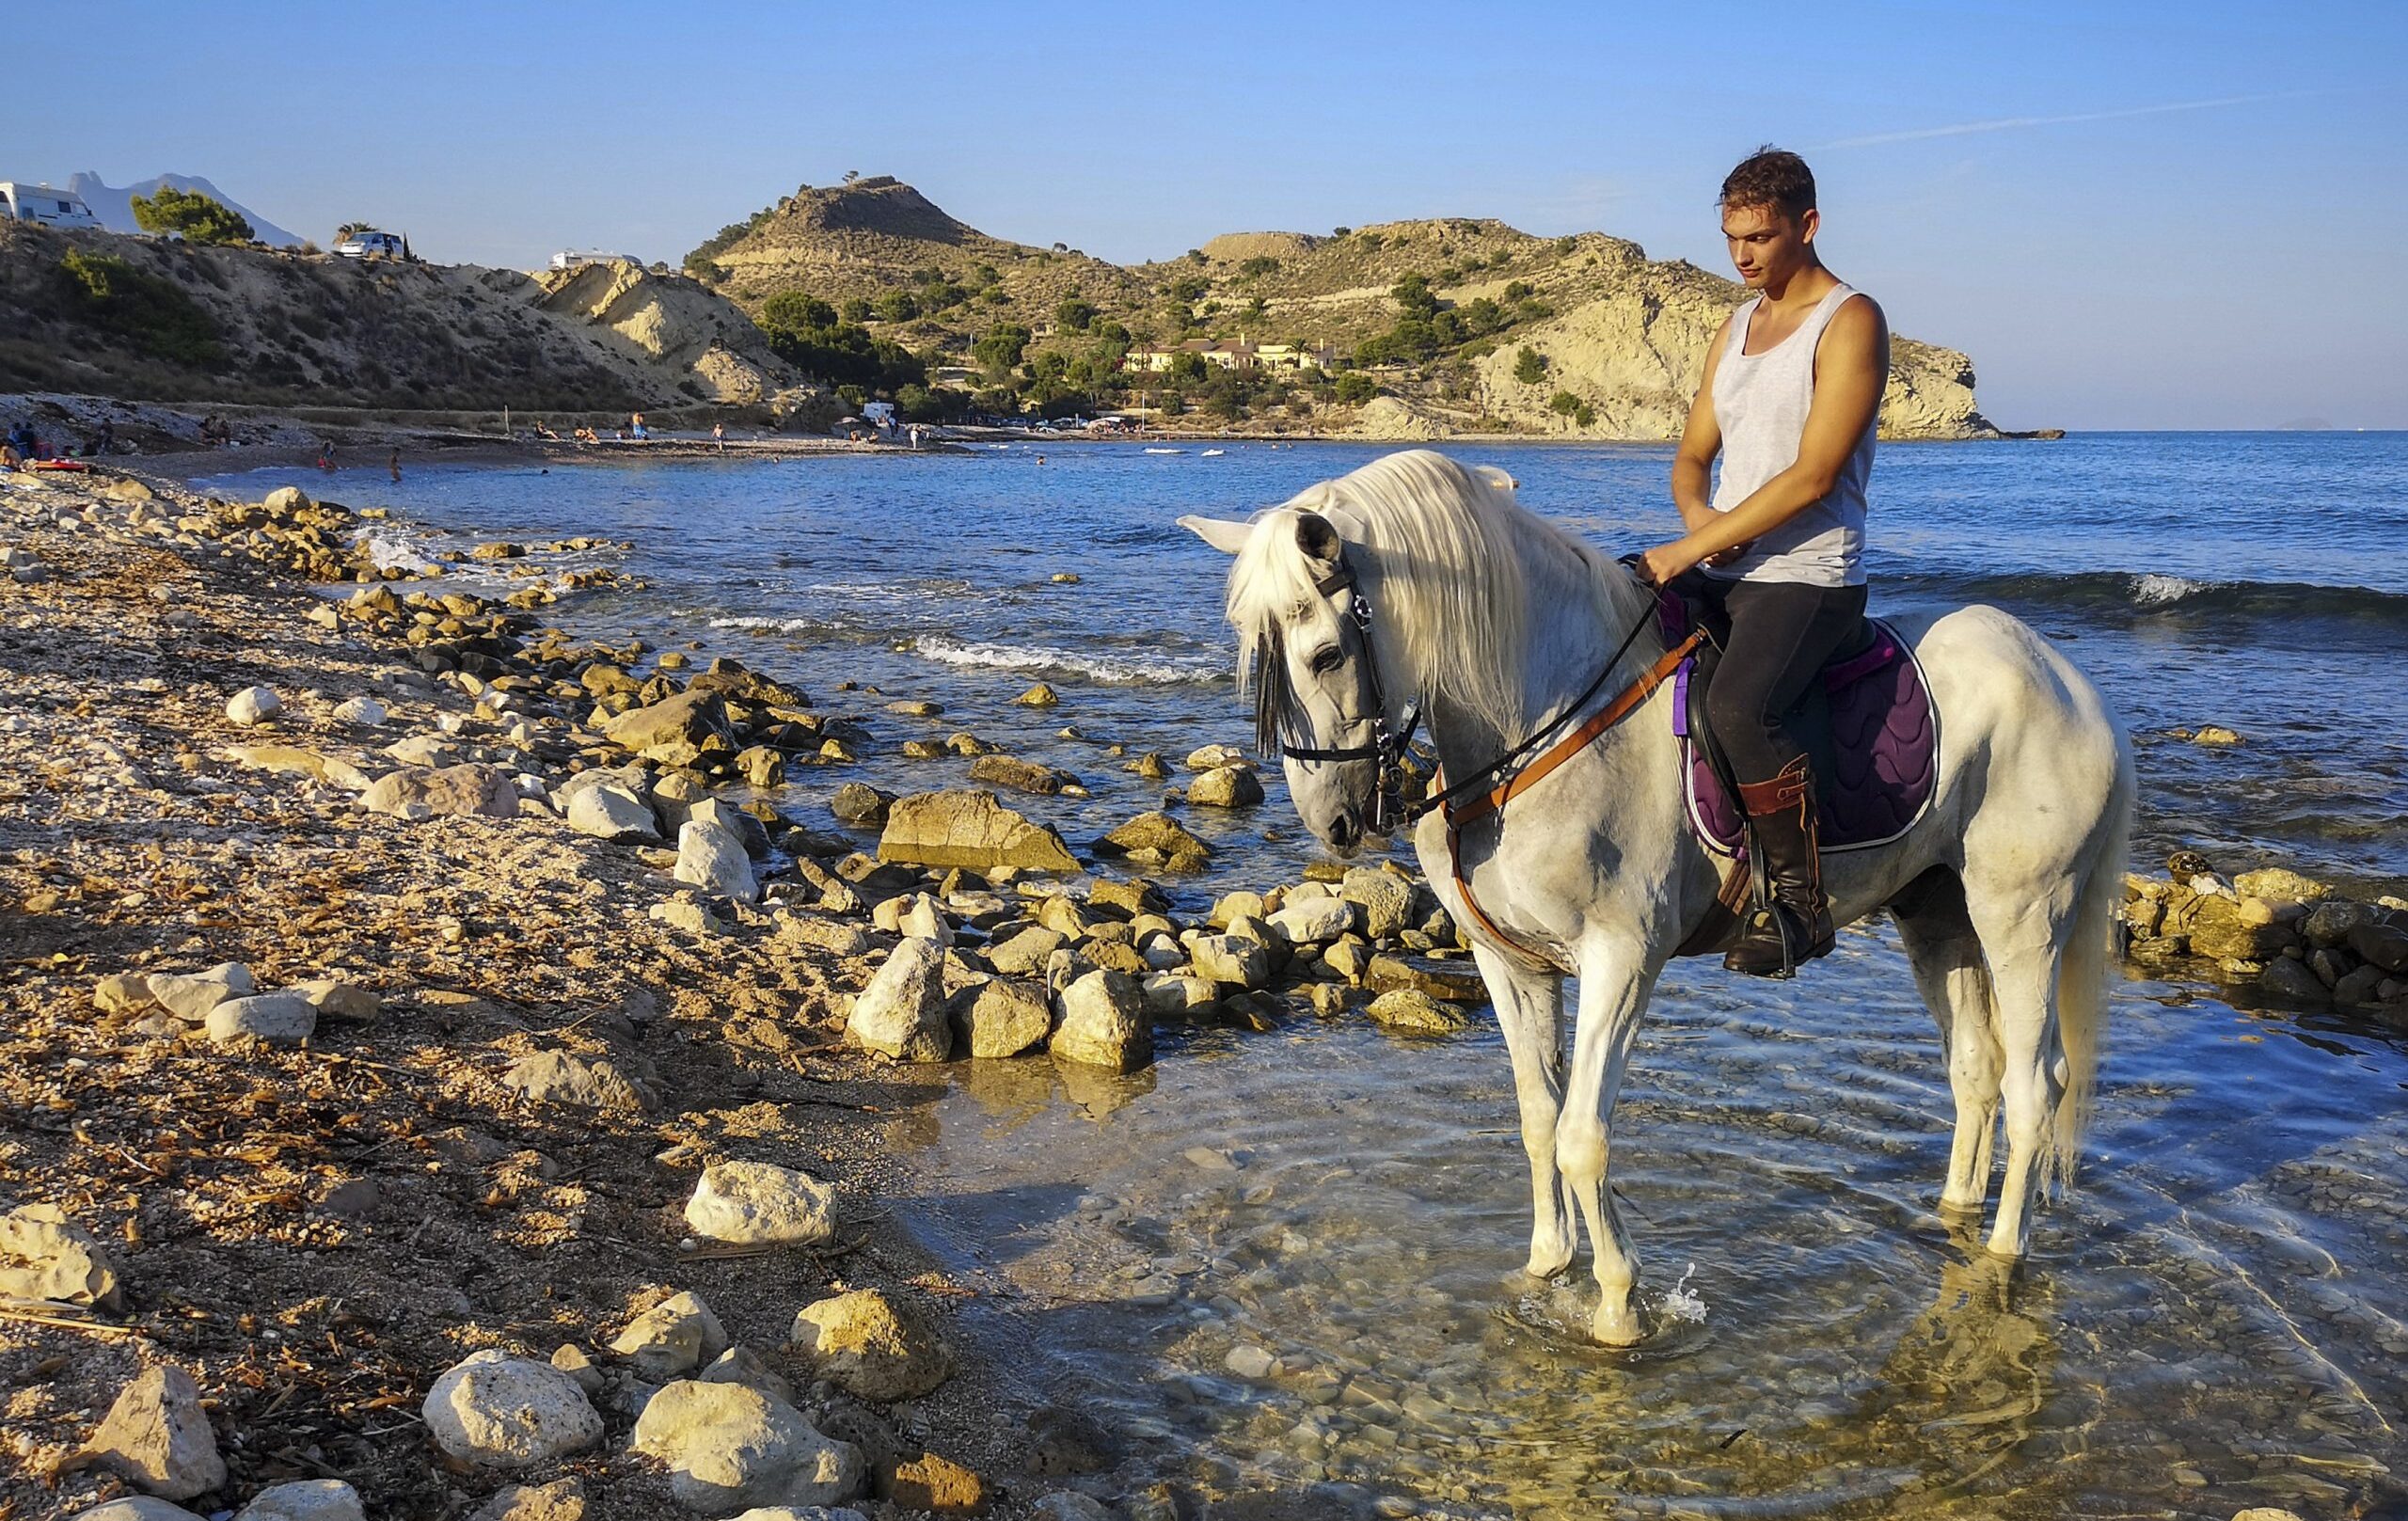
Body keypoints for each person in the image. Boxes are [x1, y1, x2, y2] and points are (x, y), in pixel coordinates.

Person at [1638, 146, 1889, 977]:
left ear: (1808, 226)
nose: (1742, 256)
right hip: (1724, 562)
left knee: (1741, 706)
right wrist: (1701, 520)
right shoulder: (1735, 325)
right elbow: (1690, 458)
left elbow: (1815, 476)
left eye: (1761, 238)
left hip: (1811, 576)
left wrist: (1695, 546)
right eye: (1730, 238)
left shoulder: (1851, 321)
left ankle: (1799, 904)